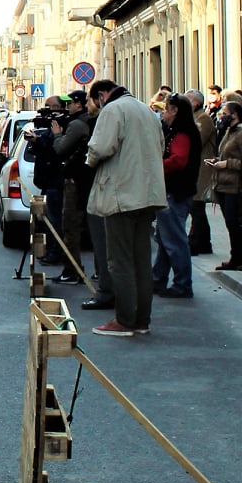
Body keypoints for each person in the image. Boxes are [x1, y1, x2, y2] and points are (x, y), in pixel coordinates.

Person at [82, 79, 166, 336]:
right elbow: (161, 146)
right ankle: (141, 319)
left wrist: (89, 161)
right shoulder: (146, 110)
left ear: (102, 95)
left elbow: (100, 148)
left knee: (120, 260)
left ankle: (125, 319)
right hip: (147, 193)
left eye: (95, 101)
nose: (97, 106)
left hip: (122, 193)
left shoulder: (113, 109)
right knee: (141, 260)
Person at [55, 91, 109, 305]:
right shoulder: (92, 122)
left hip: (79, 182)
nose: (67, 107)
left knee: (72, 226)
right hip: (91, 181)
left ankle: (73, 271)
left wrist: (57, 135)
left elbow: (61, 149)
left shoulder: (78, 125)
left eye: (71, 103)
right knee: (96, 230)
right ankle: (100, 272)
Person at [206, 99, 242, 272]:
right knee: (231, 224)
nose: (221, 117)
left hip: (236, 185)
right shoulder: (230, 131)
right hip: (224, 183)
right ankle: (236, 258)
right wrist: (218, 160)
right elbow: (227, 153)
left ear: (235, 114)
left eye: (224, 114)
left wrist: (226, 164)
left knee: (234, 223)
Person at [155, 93, 200, 298]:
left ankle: (182, 284)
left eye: (166, 109)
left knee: (174, 241)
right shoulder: (178, 131)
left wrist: (157, 166)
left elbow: (178, 160)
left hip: (176, 191)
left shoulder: (182, 133)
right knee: (165, 239)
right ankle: (158, 279)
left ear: (175, 111)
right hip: (175, 191)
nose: (163, 114)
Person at [24, 97, 67, 266]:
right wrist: (35, 142)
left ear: (58, 107)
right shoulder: (51, 127)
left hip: (55, 181)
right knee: (50, 220)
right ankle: (52, 250)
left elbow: (55, 151)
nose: (47, 111)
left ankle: (55, 252)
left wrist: (39, 140)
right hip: (48, 181)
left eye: (50, 107)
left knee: (54, 221)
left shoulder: (61, 127)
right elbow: (43, 150)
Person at [187, 89, 216, 255]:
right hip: (195, 167)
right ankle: (203, 241)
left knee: (196, 204)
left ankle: (197, 240)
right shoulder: (194, 117)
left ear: (196, 103)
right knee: (195, 206)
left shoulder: (203, 118)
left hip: (203, 167)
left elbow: (197, 141)